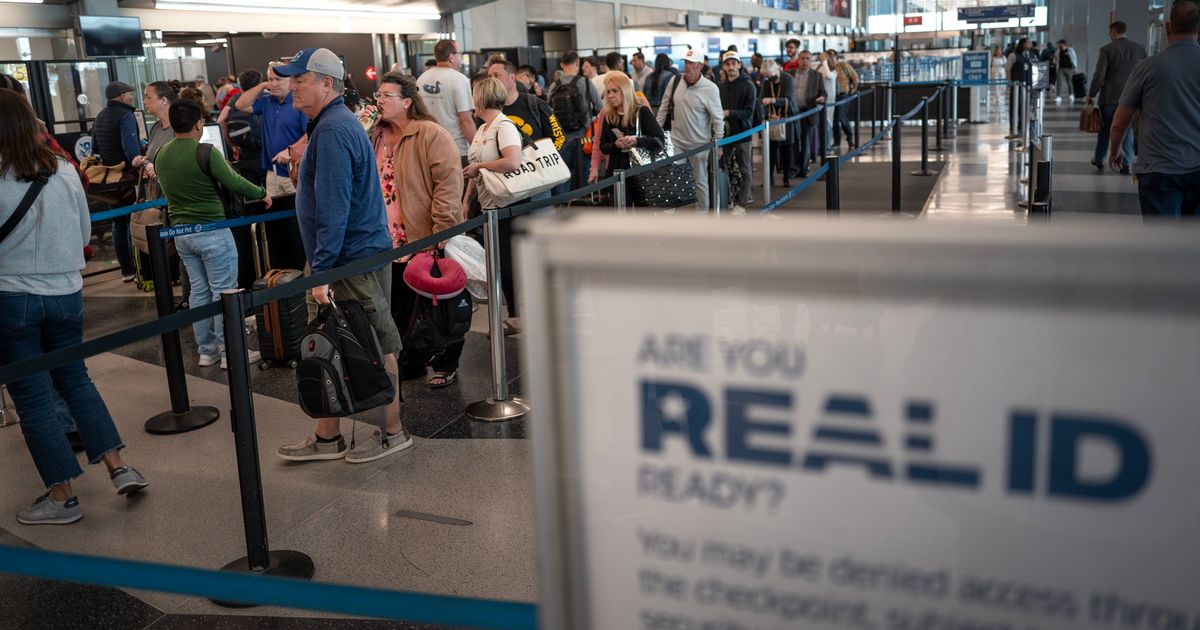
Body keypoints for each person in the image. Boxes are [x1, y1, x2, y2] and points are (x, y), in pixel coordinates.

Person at [0, 89, 149, 526]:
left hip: (13, 300)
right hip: (68, 295)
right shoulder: (64, 170)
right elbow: (84, 232)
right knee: (77, 383)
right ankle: (120, 467)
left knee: (33, 400)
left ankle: (63, 495)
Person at [272, 47, 412, 463]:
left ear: (326, 83)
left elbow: (334, 207)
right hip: (353, 254)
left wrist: (322, 271)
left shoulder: (332, 131)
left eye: (300, 79)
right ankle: (327, 436)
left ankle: (394, 432)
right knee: (339, 338)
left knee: (377, 341)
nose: (292, 86)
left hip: (351, 258)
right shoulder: (332, 124)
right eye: (291, 78)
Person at [155, 98, 270, 369]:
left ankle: (207, 351)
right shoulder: (206, 152)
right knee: (224, 292)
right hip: (213, 232)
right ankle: (232, 352)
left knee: (198, 293)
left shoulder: (161, 154)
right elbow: (235, 181)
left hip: (182, 232)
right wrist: (261, 193)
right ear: (199, 123)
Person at [368, 73, 466, 386]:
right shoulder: (375, 135)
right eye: (378, 95)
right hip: (387, 240)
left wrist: (440, 233)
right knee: (400, 308)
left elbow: (447, 185)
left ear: (407, 102)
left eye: (386, 96)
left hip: (423, 236)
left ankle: (447, 362)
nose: (379, 101)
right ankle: (408, 363)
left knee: (438, 303)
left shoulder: (430, 134)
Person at [1107, 0, 1200, 217]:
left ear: (1168, 27)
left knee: (1159, 242)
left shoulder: (1147, 67)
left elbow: (1120, 121)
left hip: (1158, 170)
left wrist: (1115, 150)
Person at [463, 78, 525, 334]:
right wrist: (466, 199)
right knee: (497, 261)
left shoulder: (504, 126)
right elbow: (475, 169)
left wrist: (480, 167)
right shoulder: (483, 129)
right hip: (486, 205)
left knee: (507, 262)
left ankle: (516, 315)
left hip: (505, 205)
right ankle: (511, 314)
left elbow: (513, 161)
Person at [655, 48, 724, 213]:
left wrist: (718, 143)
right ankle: (669, 211)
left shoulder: (710, 89)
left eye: (691, 63)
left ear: (700, 65)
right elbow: (664, 108)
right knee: (673, 177)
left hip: (700, 145)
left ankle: (702, 213)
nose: (687, 66)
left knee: (700, 181)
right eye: (685, 62)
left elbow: (718, 119)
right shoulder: (675, 81)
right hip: (677, 141)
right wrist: (656, 132)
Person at [234, 62, 310, 197]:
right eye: (270, 79)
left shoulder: (298, 102)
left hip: (295, 173)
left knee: (297, 216)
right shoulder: (267, 101)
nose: (273, 84)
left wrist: (291, 151)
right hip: (272, 172)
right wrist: (263, 85)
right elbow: (240, 105)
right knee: (274, 215)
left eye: (278, 79)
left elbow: (310, 133)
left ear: (290, 80)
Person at [91, 80, 140, 282]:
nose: (132, 97)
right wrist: (140, 163)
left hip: (109, 181)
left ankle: (126, 270)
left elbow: (94, 149)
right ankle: (141, 269)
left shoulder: (100, 116)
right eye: (130, 94)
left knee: (118, 224)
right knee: (135, 223)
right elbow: (131, 150)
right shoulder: (126, 115)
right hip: (126, 178)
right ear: (122, 97)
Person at [1087, 21, 1148, 172]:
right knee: (1127, 129)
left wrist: (1091, 94)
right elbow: (1146, 71)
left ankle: (1099, 158)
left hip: (1109, 96)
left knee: (1105, 128)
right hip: (1133, 97)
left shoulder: (1107, 49)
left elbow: (1099, 74)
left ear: (1114, 32)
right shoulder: (1139, 48)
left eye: (1110, 33)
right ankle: (1126, 163)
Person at [417, 39, 477, 166]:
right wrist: (477, 149)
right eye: (459, 54)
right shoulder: (459, 80)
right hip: (456, 150)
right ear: (451, 57)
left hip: (428, 148)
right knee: (459, 186)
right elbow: (465, 120)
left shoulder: (421, 79)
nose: (461, 57)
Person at [487, 56, 565, 153]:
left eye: (496, 75)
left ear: (512, 77)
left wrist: (548, 159)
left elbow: (559, 138)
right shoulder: (488, 111)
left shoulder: (535, 104)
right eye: (489, 76)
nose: (492, 80)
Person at [548, 51, 601, 187]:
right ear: (578, 62)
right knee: (584, 178)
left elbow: (549, 112)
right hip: (584, 139)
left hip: (562, 140)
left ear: (561, 65)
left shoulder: (554, 86)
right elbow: (600, 108)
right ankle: (585, 204)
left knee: (564, 178)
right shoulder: (586, 83)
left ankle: (564, 206)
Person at [599, 72, 664, 182]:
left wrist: (636, 141)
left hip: (641, 174)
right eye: (608, 91)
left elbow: (659, 141)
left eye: (615, 91)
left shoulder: (642, 112)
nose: (610, 95)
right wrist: (616, 145)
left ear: (625, 91)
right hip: (615, 173)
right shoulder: (609, 116)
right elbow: (603, 146)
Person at [718, 51, 756, 214]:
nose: (731, 67)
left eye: (734, 63)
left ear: (740, 65)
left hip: (743, 134)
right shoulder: (720, 87)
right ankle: (730, 199)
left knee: (745, 169)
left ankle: (742, 204)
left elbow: (749, 112)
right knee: (723, 167)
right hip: (725, 136)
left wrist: (729, 113)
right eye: (728, 64)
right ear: (724, 67)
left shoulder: (749, 86)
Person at [218, 69, 266, 186]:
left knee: (251, 194)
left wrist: (232, 145)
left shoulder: (235, 99)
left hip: (244, 153)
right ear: (259, 83)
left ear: (240, 83)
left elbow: (220, 120)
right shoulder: (266, 97)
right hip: (266, 153)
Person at [132, 81, 178, 186]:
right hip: (157, 194)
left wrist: (159, 170)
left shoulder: (181, 128)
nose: (144, 102)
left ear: (163, 100)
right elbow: (151, 156)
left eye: (148, 97)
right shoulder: (156, 128)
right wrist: (142, 160)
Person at [759, 60, 797, 187]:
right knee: (770, 151)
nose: (769, 78)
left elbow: (789, 99)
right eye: (766, 76)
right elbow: (761, 101)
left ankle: (786, 178)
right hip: (771, 120)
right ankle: (769, 179)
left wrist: (772, 100)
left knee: (787, 150)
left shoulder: (788, 79)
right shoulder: (766, 82)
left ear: (778, 69)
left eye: (770, 75)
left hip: (787, 118)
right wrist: (768, 114)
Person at [790, 51, 827, 179]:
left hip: (808, 112)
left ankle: (804, 168)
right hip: (793, 113)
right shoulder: (790, 74)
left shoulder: (816, 75)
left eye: (807, 59)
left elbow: (824, 93)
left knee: (806, 142)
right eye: (802, 59)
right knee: (793, 141)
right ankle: (794, 168)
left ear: (811, 61)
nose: (805, 61)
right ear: (798, 60)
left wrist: (822, 98)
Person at [826, 50, 859, 151]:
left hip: (842, 95)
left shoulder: (843, 65)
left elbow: (854, 76)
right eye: (828, 56)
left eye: (832, 55)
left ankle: (850, 140)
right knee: (834, 120)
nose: (830, 58)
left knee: (841, 116)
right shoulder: (826, 68)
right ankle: (837, 142)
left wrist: (854, 88)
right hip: (831, 97)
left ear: (836, 56)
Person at [815, 52, 838, 156]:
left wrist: (824, 62)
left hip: (829, 100)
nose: (821, 56)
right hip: (819, 99)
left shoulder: (833, 70)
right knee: (820, 124)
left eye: (824, 55)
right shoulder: (820, 67)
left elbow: (829, 76)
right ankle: (820, 146)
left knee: (828, 123)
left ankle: (827, 147)